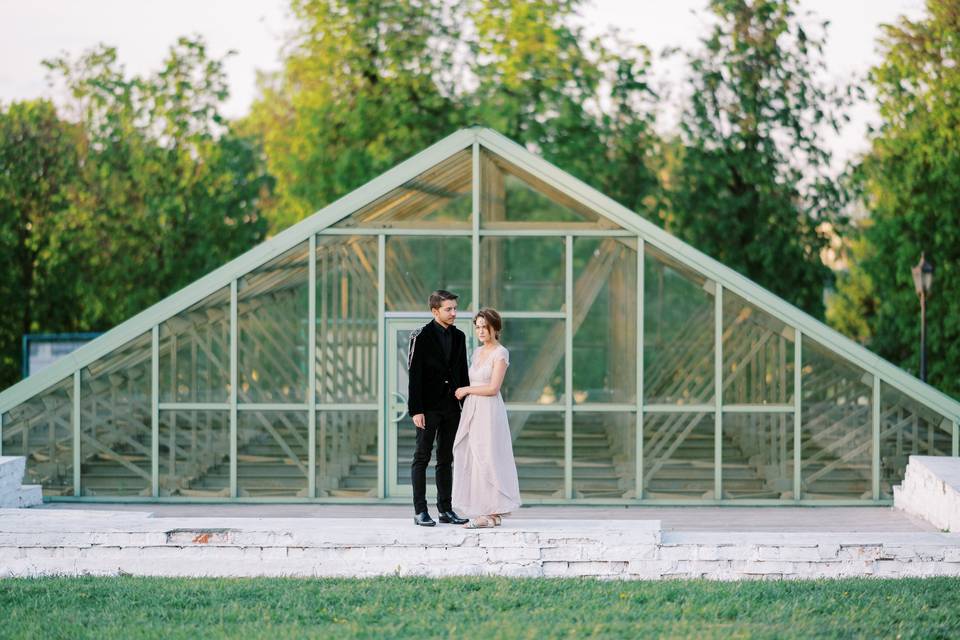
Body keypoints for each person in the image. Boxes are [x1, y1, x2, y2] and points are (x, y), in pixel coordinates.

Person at [452, 308, 522, 528]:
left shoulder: (501, 353)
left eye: (485, 326)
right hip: (473, 409)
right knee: (472, 454)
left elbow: (493, 388)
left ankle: (491, 511)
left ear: (495, 328)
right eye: (478, 326)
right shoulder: (476, 353)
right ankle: (485, 512)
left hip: (489, 410)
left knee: (488, 456)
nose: (481, 331)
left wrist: (466, 390)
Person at [407, 290, 470, 527]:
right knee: (421, 457)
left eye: (455, 308)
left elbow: (462, 372)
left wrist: (465, 407)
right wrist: (416, 410)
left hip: (451, 408)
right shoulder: (420, 336)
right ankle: (420, 511)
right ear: (435, 311)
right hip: (428, 408)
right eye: (449, 309)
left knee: (446, 458)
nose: (454, 313)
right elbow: (414, 375)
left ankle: (445, 509)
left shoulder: (460, 336)